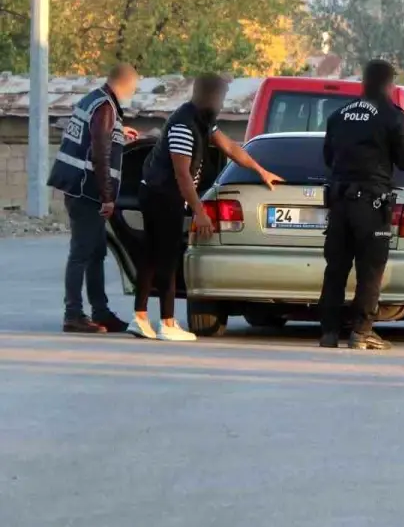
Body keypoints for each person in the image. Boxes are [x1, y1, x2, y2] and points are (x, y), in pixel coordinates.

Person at [130, 74, 284, 342]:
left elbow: (230, 147)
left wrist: (260, 170)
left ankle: (140, 318)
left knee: (153, 256)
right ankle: (166, 323)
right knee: (165, 258)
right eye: (221, 97)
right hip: (162, 195)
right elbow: (182, 176)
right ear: (209, 95)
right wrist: (200, 212)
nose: (223, 102)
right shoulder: (183, 124)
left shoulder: (203, 120)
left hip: (165, 193)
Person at [317, 59, 404, 351]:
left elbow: (327, 157)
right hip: (372, 204)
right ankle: (361, 332)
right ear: (389, 83)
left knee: (335, 268)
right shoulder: (392, 115)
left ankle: (329, 332)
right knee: (370, 269)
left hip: (339, 202)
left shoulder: (338, 115)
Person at [48, 62, 141, 334]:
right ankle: (73, 314)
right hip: (86, 190)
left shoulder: (94, 100)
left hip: (78, 187)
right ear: (124, 84)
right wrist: (107, 196)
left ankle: (100, 311)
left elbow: (96, 136)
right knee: (81, 252)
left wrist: (119, 132)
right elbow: (100, 154)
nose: (133, 91)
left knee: (96, 251)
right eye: (134, 86)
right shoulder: (104, 107)